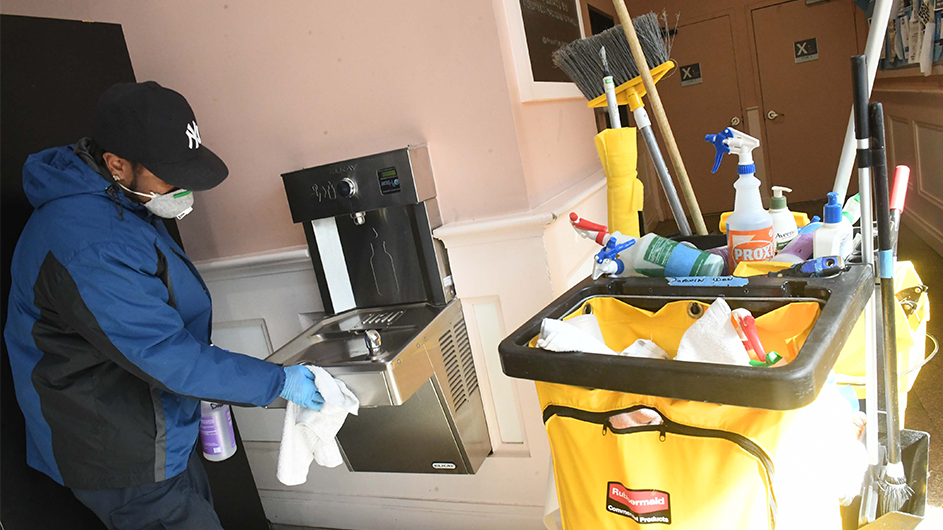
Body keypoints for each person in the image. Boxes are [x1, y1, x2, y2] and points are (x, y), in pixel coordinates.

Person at [4, 81, 323, 530]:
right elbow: (164, 354)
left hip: (147, 425)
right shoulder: (87, 242)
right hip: (117, 452)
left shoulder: (114, 203)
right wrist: (276, 382)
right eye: (170, 176)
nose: (183, 189)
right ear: (116, 163)